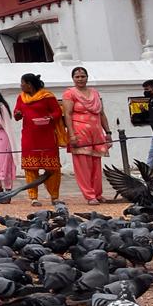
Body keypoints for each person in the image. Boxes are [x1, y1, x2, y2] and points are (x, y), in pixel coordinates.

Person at [14, 73, 64, 206]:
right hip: (29, 137)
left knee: (52, 167)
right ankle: (33, 197)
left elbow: (57, 112)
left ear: (29, 84)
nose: (21, 86)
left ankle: (54, 196)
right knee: (30, 168)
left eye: (22, 83)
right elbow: (17, 114)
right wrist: (18, 114)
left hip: (47, 136)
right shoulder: (21, 98)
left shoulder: (47, 96)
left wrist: (50, 118)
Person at [63, 67, 110, 205]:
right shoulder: (69, 93)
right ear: (73, 79)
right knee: (83, 165)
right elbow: (68, 114)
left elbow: (101, 113)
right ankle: (90, 195)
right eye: (77, 77)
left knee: (96, 163)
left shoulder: (94, 93)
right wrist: (71, 135)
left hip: (96, 131)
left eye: (83, 76)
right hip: (79, 131)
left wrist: (108, 132)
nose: (80, 79)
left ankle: (98, 193)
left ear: (87, 77)